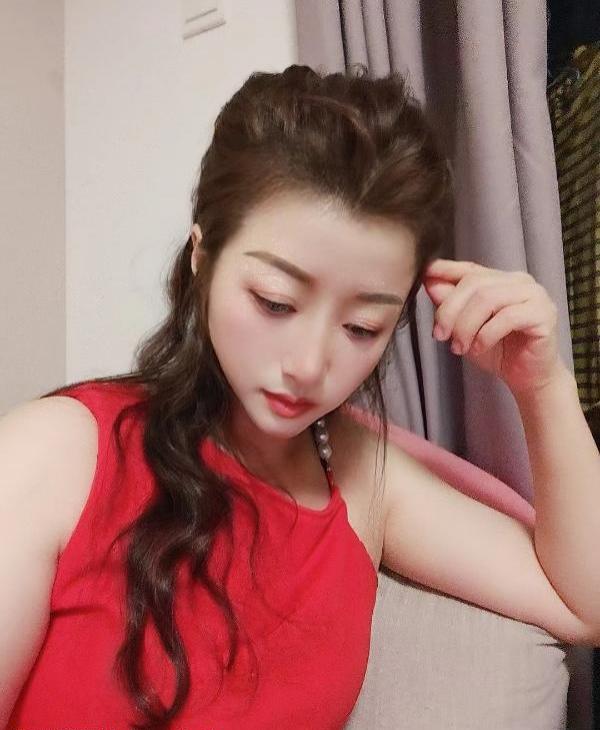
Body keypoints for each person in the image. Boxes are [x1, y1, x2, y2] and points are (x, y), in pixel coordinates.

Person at [2, 64, 599, 730]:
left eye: (362, 327)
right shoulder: (55, 453)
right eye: (275, 302)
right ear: (203, 258)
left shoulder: (363, 479)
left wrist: (542, 385)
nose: (311, 366)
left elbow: (586, 604)